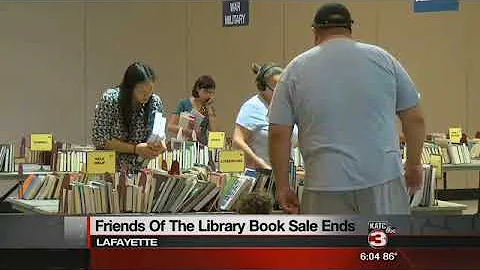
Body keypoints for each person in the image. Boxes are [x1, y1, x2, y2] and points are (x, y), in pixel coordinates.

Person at [268, 3, 426, 215]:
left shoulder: (295, 69)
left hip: (324, 183)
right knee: (385, 246)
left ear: (315, 31)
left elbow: (278, 133)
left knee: (331, 249)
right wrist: (413, 164)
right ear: (349, 29)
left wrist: (283, 186)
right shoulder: (383, 59)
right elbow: (414, 118)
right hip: (382, 180)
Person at [92, 62, 167, 173]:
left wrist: (160, 145)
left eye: (150, 91)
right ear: (130, 88)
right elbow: (99, 139)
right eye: (141, 91)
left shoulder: (155, 102)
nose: (146, 96)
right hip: (108, 168)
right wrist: (135, 149)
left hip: (140, 169)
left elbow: (159, 133)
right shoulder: (111, 99)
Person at [233, 63, 298, 169]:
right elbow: (237, 140)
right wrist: (259, 162)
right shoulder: (252, 106)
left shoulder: (287, 106)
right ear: (262, 87)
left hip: (285, 173)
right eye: (276, 89)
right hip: (262, 175)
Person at [168, 75, 217, 145]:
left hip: (201, 145)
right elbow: (170, 126)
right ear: (198, 89)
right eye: (205, 91)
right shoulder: (184, 103)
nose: (208, 95)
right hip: (184, 143)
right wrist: (187, 131)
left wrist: (210, 109)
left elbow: (215, 132)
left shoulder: (209, 108)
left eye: (211, 93)